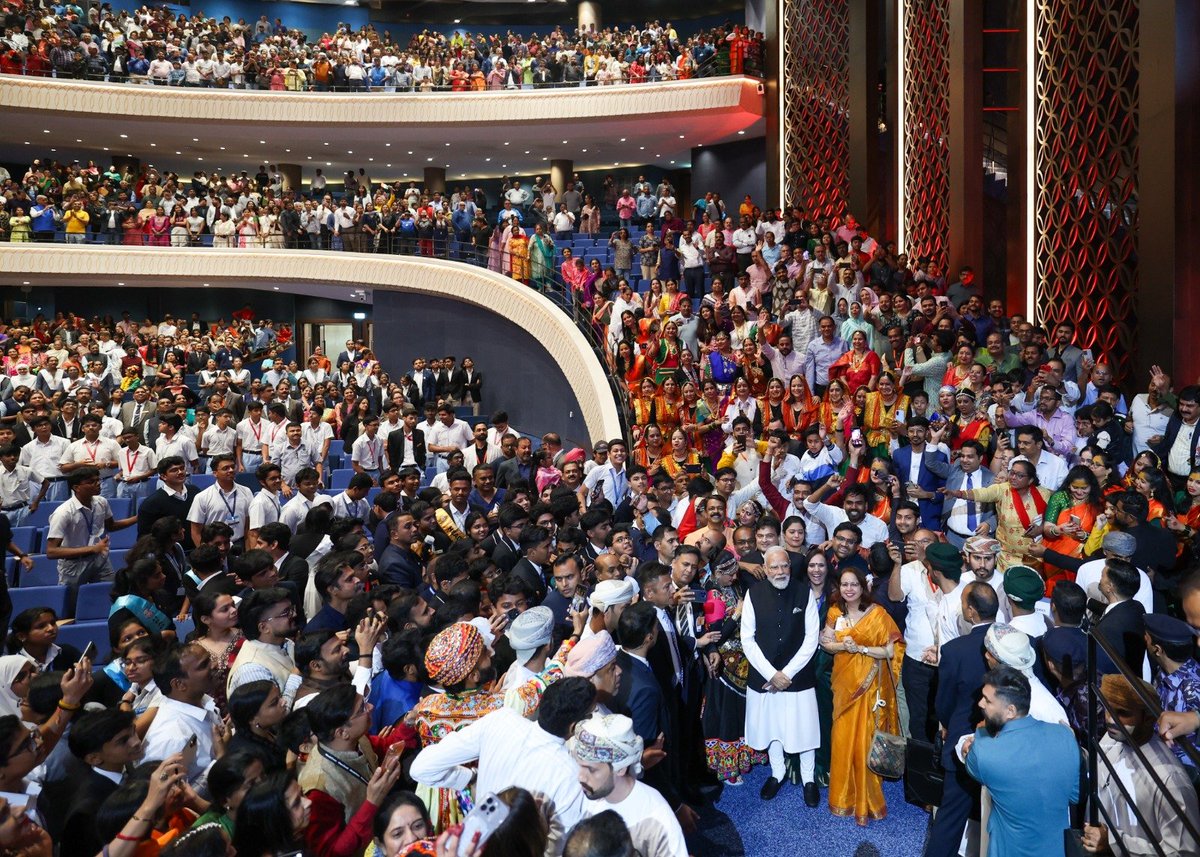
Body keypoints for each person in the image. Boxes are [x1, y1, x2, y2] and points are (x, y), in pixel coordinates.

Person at [409, 677, 595, 838]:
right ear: (574, 727)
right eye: (591, 715)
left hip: (477, 846)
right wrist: (471, 778)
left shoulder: (500, 720)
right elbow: (563, 845)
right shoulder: (570, 775)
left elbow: (421, 768)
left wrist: (469, 778)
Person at [961, 666, 1080, 857]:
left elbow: (972, 761)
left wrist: (981, 734)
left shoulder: (984, 751)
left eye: (988, 700)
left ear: (1010, 710)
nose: (980, 703)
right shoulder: (1065, 735)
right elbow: (1074, 795)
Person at [819, 566, 904, 825]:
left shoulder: (877, 614)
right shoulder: (835, 612)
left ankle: (868, 799)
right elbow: (826, 643)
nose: (849, 589)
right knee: (843, 738)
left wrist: (863, 649)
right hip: (843, 686)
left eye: (853, 584)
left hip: (869, 688)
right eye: (844, 584)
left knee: (866, 740)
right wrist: (841, 646)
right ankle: (844, 797)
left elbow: (891, 651)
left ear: (862, 586)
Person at [1082, 672, 1200, 857]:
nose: (1110, 719)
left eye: (1122, 713)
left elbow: (1183, 852)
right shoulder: (1111, 738)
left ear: (1147, 718)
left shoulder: (1169, 779)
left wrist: (1114, 842)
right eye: (1107, 709)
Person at [741, 545, 821, 804]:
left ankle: (809, 779)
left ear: (790, 566)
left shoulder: (804, 593)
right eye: (773, 566)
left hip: (797, 676)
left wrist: (786, 673)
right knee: (772, 727)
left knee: (805, 730)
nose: (779, 571)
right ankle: (777, 773)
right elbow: (747, 639)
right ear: (765, 568)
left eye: (784, 565)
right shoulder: (753, 593)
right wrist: (771, 674)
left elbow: (812, 639)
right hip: (764, 677)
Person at [570, 712, 688, 857]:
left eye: (591, 769)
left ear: (621, 769)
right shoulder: (587, 793)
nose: (581, 776)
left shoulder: (657, 819)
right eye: (580, 766)